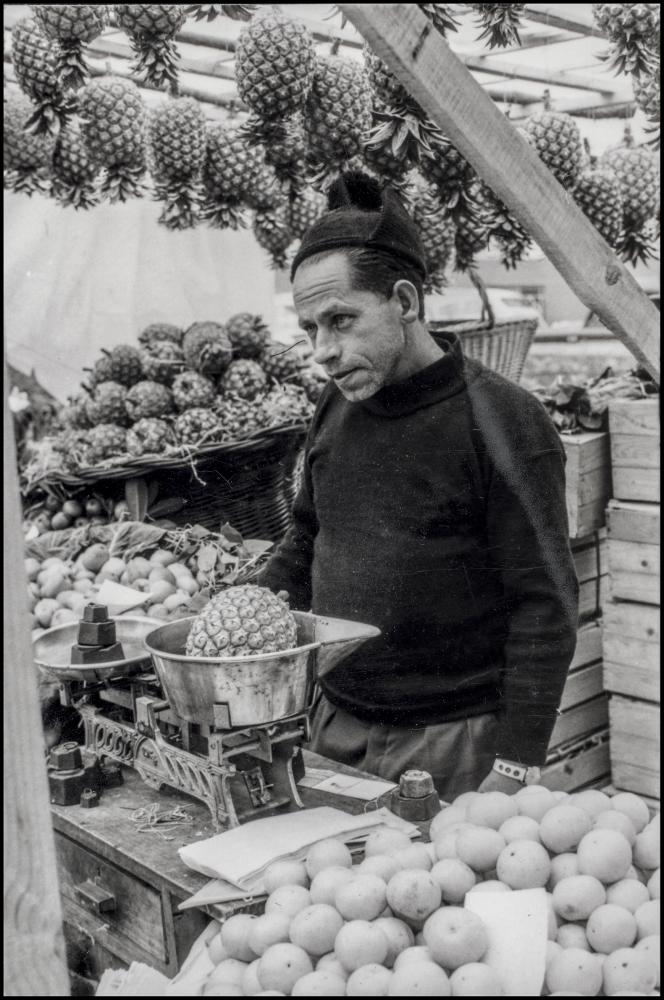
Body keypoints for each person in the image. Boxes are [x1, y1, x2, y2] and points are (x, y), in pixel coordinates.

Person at [258, 172, 579, 800]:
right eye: (310, 330)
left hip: (455, 744)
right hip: (335, 724)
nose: (323, 350)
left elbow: (546, 601)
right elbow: (307, 534)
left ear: (404, 301)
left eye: (341, 320)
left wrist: (516, 765)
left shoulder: (502, 419)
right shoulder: (336, 404)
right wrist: (246, 609)